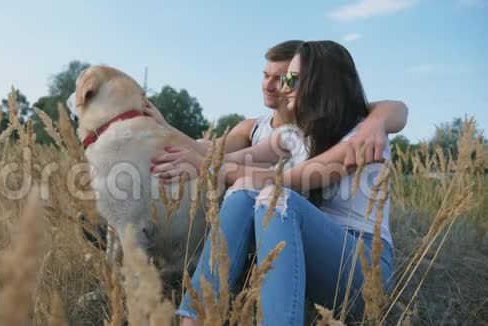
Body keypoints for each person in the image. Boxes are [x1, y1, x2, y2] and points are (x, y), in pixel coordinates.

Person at [146, 40, 395, 325]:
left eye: (292, 78)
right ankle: (195, 318)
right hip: (305, 253)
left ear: (321, 83)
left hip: (363, 268)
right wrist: (171, 136)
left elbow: (287, 181)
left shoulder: (363, 138)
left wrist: (203, 167)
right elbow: (228, 157)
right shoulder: (291, 135)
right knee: (243, 192)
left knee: (275, 196)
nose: (284, 87)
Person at [150, 40, 408, 170]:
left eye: (283, 78)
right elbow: (211, 152)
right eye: (265, 76)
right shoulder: (253, 127)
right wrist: (164, 127)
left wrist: (376, 122)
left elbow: (393, 109)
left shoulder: (326, 124)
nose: (270, 85)